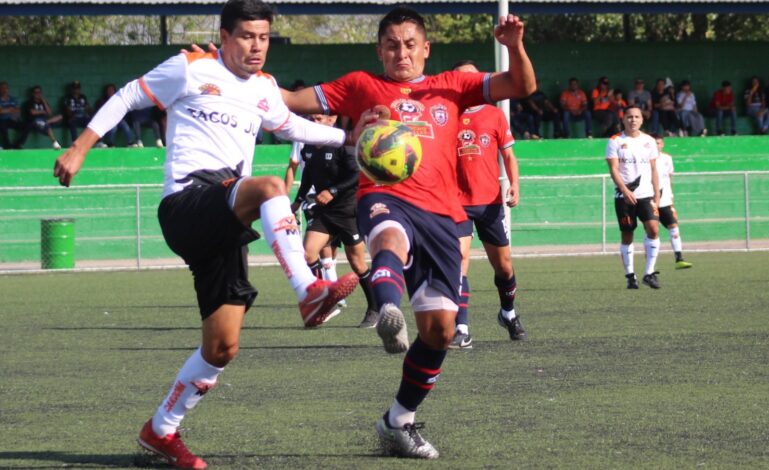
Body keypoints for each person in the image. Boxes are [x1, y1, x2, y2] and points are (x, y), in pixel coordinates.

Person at [53, 1, 359, 468]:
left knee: (222, 347)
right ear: (224, 34)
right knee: (271, 186)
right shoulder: (190, 67)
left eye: (263, 37)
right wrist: (79, 147)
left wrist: (348, 140)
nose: (256, 46)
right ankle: (309, 291)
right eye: (246, 36)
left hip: (225, 219)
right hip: (187, 203)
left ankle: (160, 430)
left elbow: (290, 125)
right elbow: (128, 96)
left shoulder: (264, 89)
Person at [279, 6, 536, 459]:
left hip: (442, 214)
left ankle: (397, 420)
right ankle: (386, 309)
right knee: (390, 237)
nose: (402, 52)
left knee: (439, 330)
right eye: (392, 45)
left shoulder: (453, 86)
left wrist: (513, 45)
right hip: (383, 195)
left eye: (410, 44)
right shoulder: (360, 86)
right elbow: (291, 100)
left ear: (426, 48)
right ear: (380, 49)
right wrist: (236, 72)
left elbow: (522, 86)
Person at [450, 61, 526, 350]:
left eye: (471, 79)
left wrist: (514, 184)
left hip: (490, 202)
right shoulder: (446, 116)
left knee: (504, 267)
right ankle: (462, 328)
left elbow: (509, 156)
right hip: (455, 203)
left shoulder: (494, 115)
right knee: (459, 265)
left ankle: (508, 313)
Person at [292, 113, 378, 328]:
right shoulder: (309, 146)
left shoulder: (343, 144)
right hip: (325, 211)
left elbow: (356, 176)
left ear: (332, 120)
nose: (314, 122)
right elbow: (309, 176)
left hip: (348, 211)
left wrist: (333, 190)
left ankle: (375, 309)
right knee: (308, 253)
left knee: (357, 264)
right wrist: (297, 201)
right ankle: (324, 301)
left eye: (319, 118)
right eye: (311, 118)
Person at [605, 105, 662, 290]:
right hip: (624, 196)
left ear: (642, 119)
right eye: (629, 117)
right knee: (627, 234)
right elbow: (613, 169)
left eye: (637, 117)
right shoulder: (615, 141)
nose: (633, 120)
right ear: (623, 119)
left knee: (653, 229)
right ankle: (630, 275)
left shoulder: (649, 141)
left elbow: (654, 169)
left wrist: (657, 194)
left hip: (646, 195)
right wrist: (624, 190)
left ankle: (649, 273)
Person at [653, 134, 693, 270]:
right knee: (652, 231)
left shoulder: (667, 159)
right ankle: (651, 266)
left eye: (659, 143)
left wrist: (671, 201)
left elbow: (669, 180)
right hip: (650, 201)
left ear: (662, 144)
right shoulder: (645, 160)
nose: (657, 145)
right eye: (654, 143)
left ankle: (679, 258)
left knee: (674, 226)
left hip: (665, 202)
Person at [14, 85, 62, 150]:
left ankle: (45, 122)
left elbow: (50, 113)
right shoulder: (30, 102)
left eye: (39, 92)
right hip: (35, 121)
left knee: (60, 116)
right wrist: (43, 111)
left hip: (46, 120)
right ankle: (54, 142)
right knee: (46, 125)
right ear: (33, 94)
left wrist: (44, 102)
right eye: (36, 93)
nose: (38, 94)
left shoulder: (43, 102)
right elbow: (32, 112)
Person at [95, 83, 138, 147]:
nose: (110, 91)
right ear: (106, 92)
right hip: (107, 119)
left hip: (117, 118)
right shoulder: (102, 101)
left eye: (112, 90)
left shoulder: (117, 99)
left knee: (125, 125)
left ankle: (130, 142)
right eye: (109, 90)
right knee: (114, 128)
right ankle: (110, 143)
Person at [0, 81, 22, 149]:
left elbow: (18, 111)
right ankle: (7, 146)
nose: (4, 90)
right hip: (2, 120)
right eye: (2, 88)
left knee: (25, 126)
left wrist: (13, 114)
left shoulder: (12, 99)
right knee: (3, 127)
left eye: (6, 88)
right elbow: (0, 111)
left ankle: (17, 145)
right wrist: (10, 109)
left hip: (12, 119)